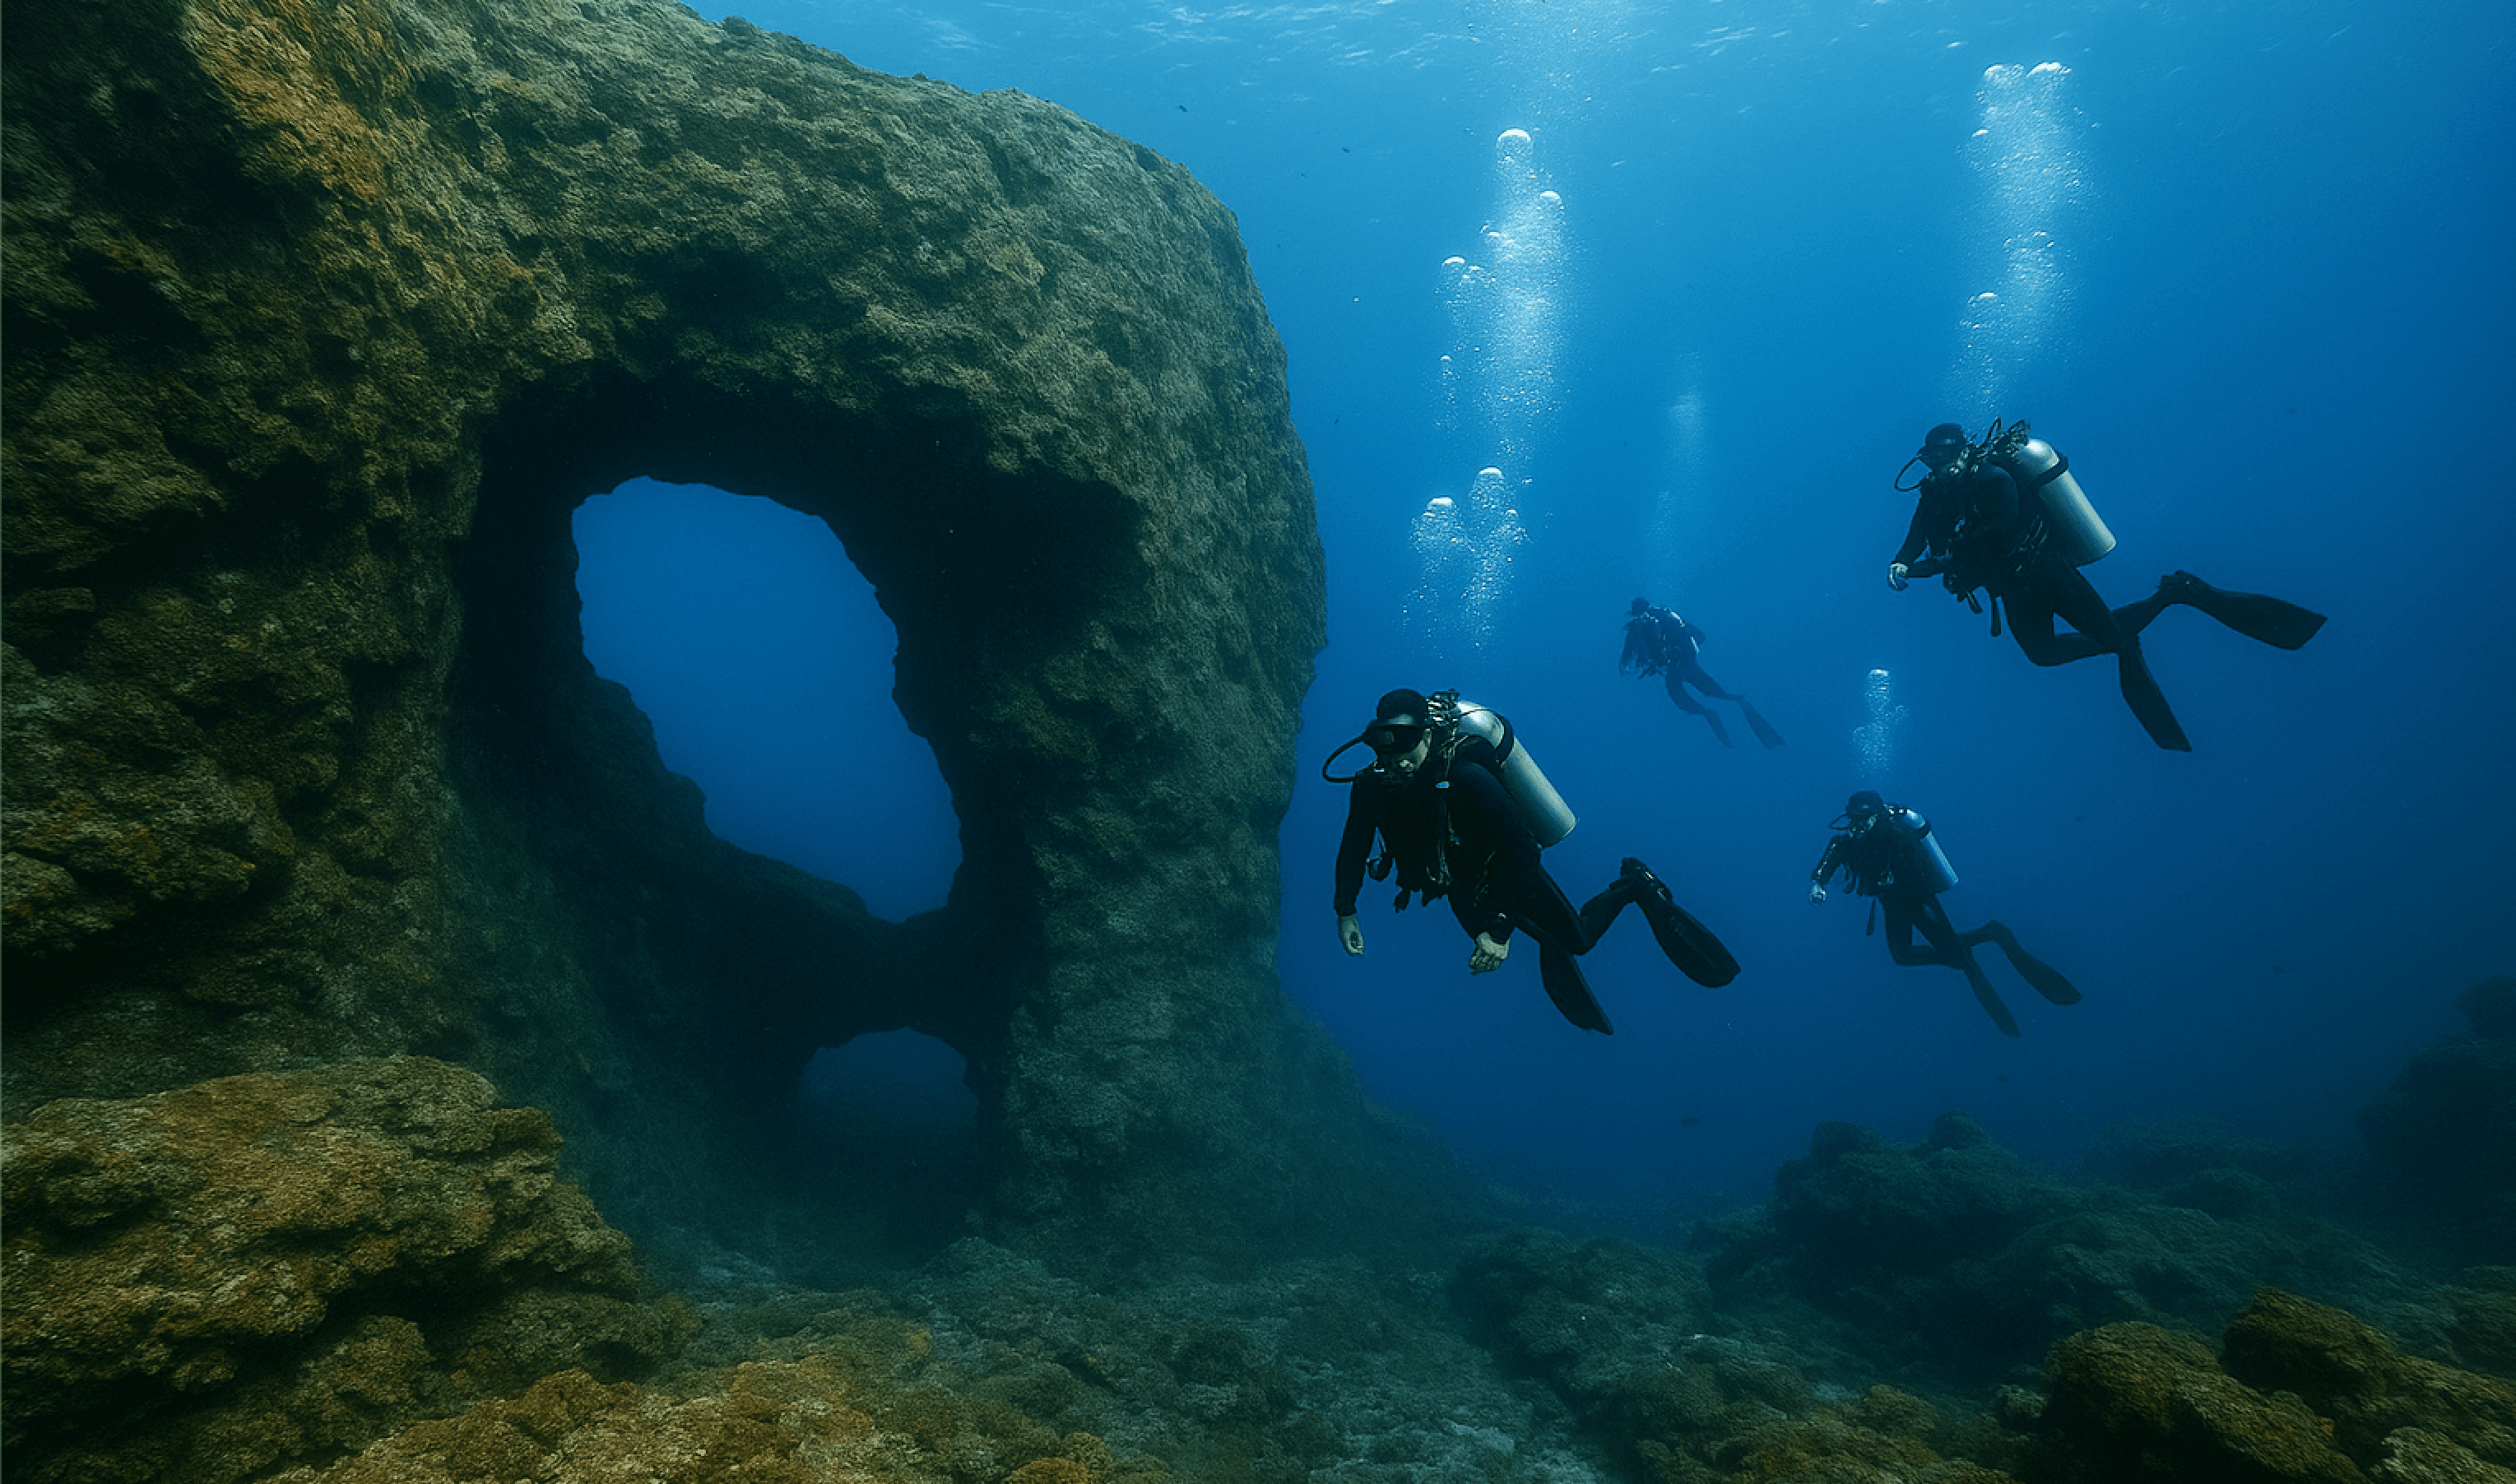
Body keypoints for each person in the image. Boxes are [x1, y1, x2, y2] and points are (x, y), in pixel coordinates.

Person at [1888, 420, 2327, 751]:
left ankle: (2178, 593)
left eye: (1944, 458)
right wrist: (1903, 559)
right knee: (2043, 654)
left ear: (1964, 453)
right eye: (1931, 461)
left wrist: (1934, 566)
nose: (1938, 468)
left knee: (2116, 641)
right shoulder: (1936, 492)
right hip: (2012, 586)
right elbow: (1920, 528)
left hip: (2047, 572)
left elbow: (1998, 533)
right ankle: (2154, 611)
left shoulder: (1993, 479)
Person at [1326, 688, 1738, 1034]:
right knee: (1501, 939)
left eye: (1408, 744)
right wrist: (1346, 910)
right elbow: (1354, 843)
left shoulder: (1465, 776)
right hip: (1456, 881)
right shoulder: (1371, 786)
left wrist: (1499, 930)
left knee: (1579, 940)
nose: (1397, 759)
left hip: (1506, 866)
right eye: (1386, 746)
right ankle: (1543, 935)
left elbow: (1522, 847)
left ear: (1428, 736)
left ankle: (1635, 884)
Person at [1807, 790, 2082, 1036]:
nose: (1858, 824)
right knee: (1903, 956)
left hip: (1918, 901)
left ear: (1877, 816)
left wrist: (1896, 880)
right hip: (1893, 905)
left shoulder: (1897, 836)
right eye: (1854, 818)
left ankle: (1992, 934)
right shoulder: (1850, 840)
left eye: (1864, 818)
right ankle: (1964, 952)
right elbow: (1834, 853)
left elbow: (1917, 869)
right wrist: (1819, 883)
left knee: (1947, 951)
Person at [1619, 598, 1784, 749]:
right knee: (1714, 691)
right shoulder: (1664, 617)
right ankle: (1738, 702)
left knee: (1678, 694)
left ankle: (1711, 714)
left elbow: (1629, 657)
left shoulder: (1644, 624)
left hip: (1678, 665)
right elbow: (1700, 636)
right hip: (1687, 662)